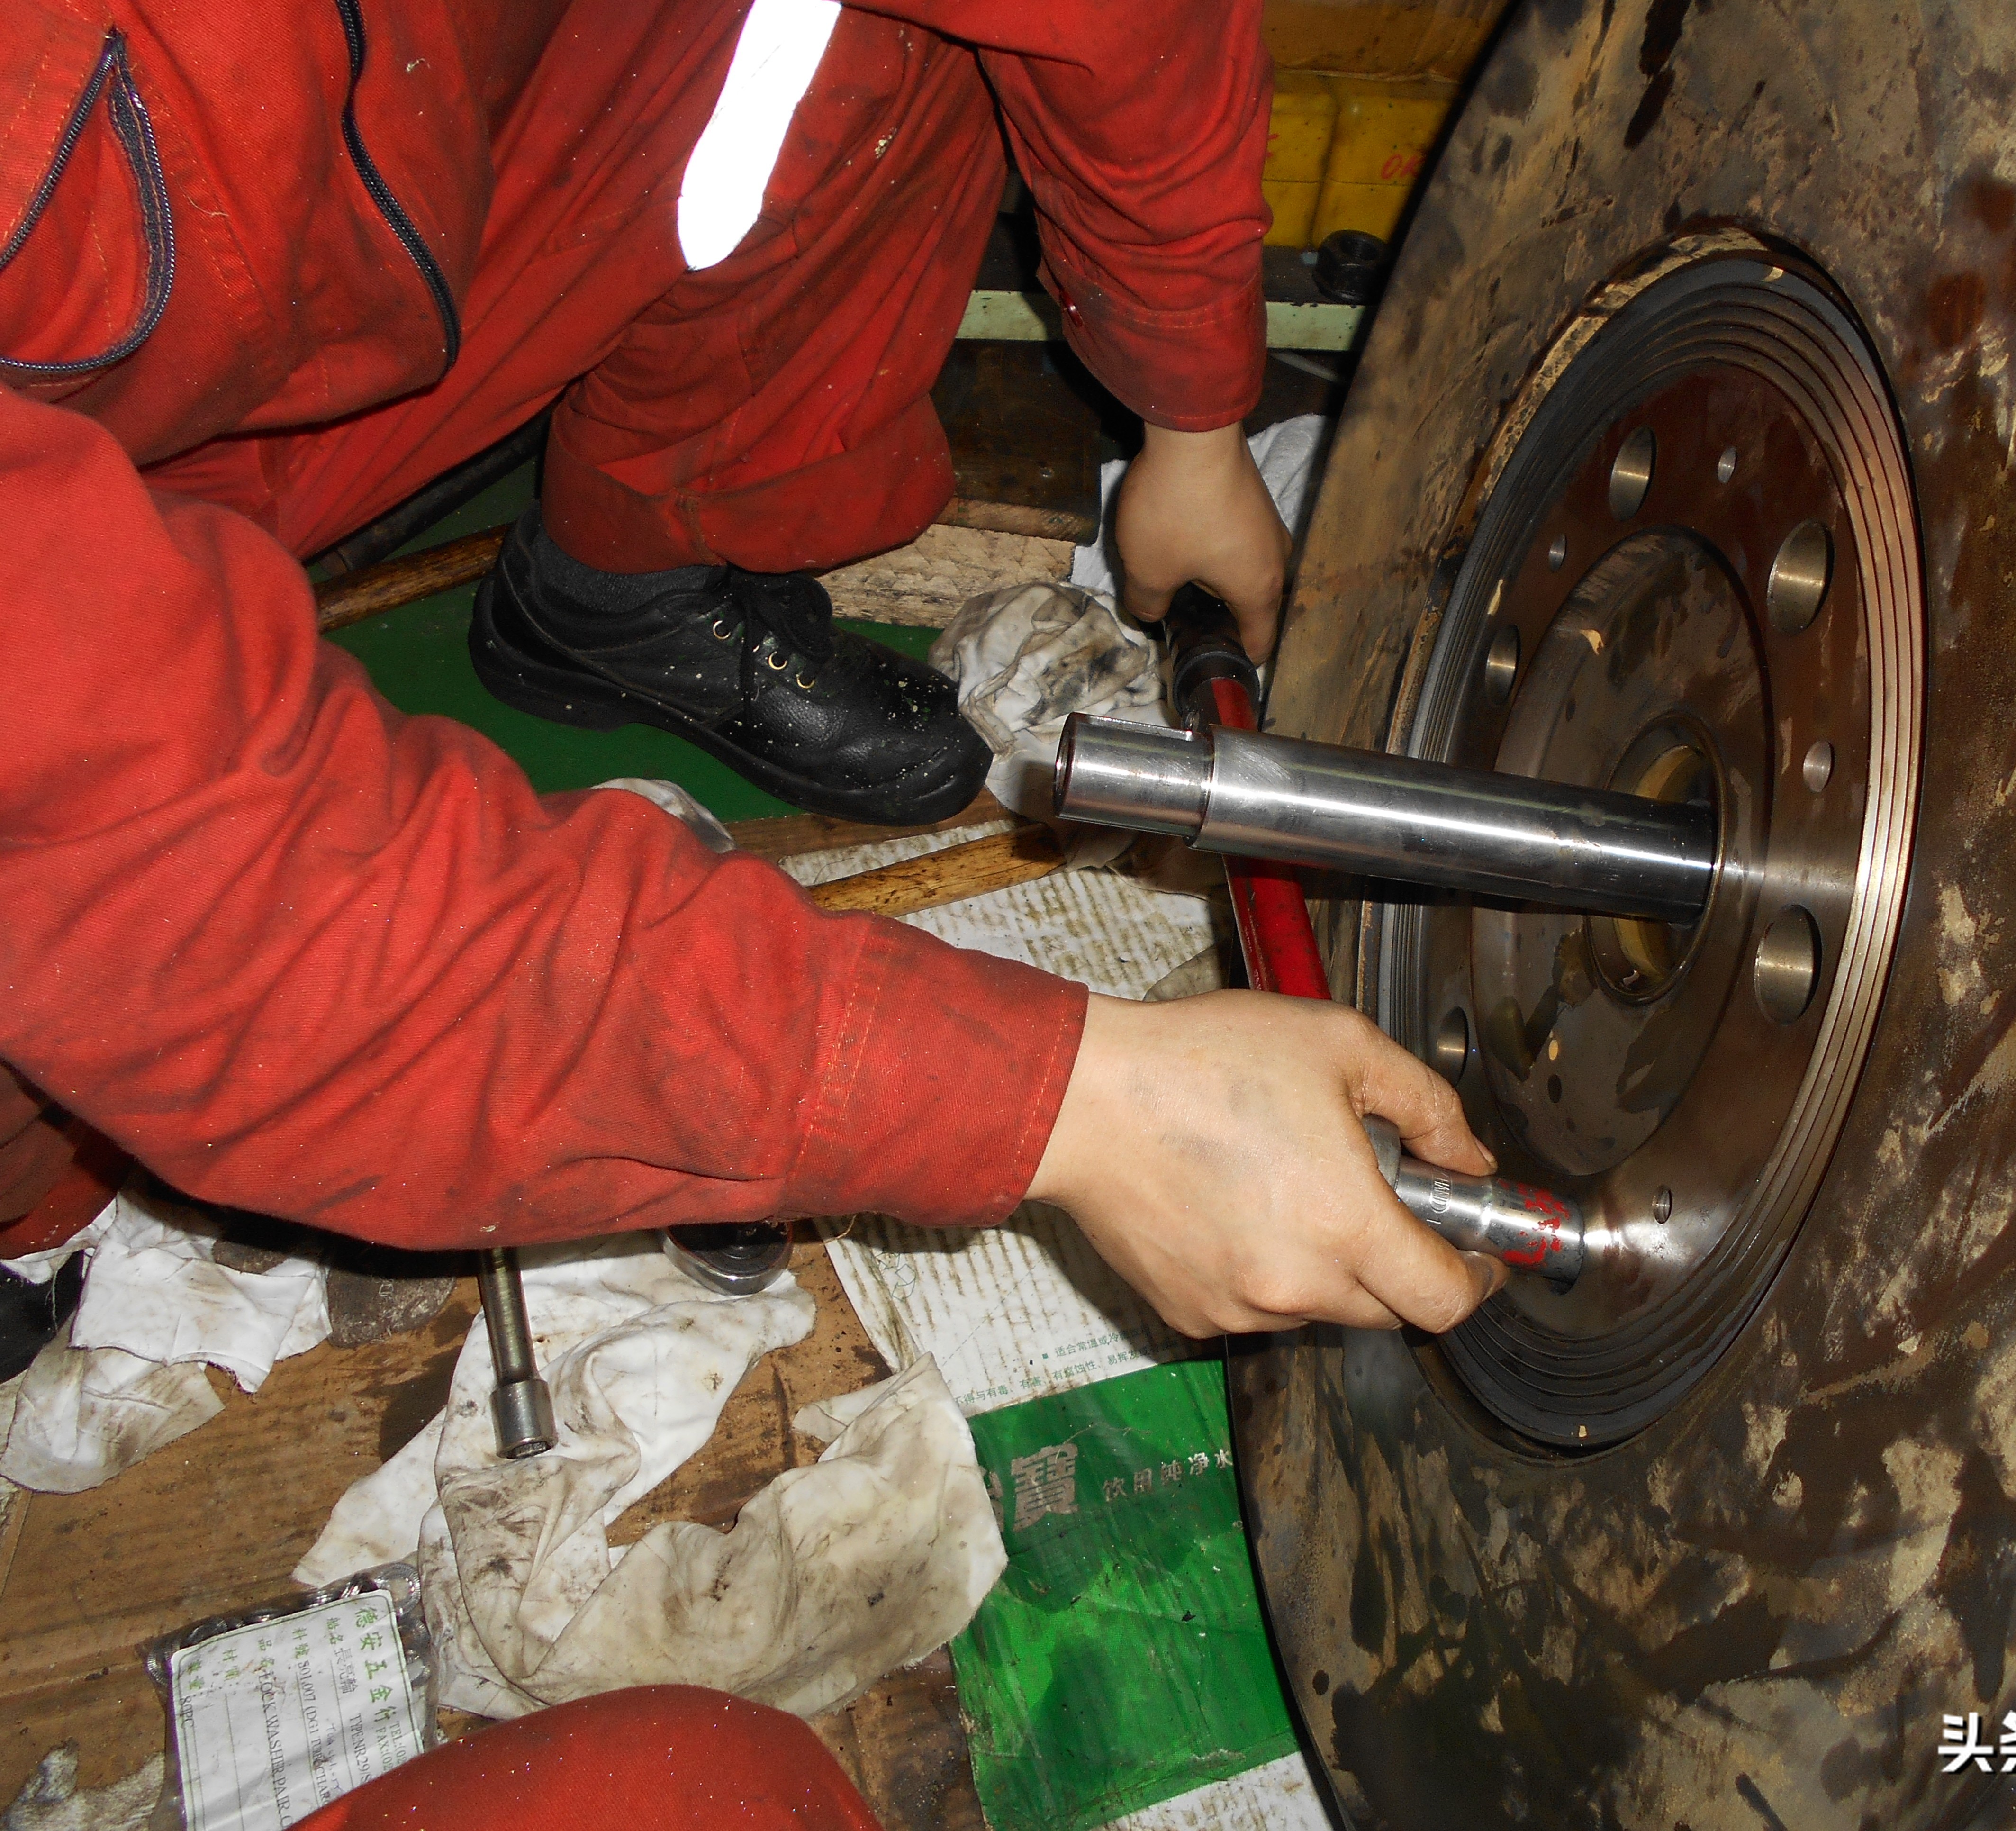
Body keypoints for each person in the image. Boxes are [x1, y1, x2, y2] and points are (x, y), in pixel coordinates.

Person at [0, 1, 1501, 1812]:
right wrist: (1067, 1104)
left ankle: (637, 566)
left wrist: (1191, 412)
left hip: (351, 216)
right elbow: (218, 890)